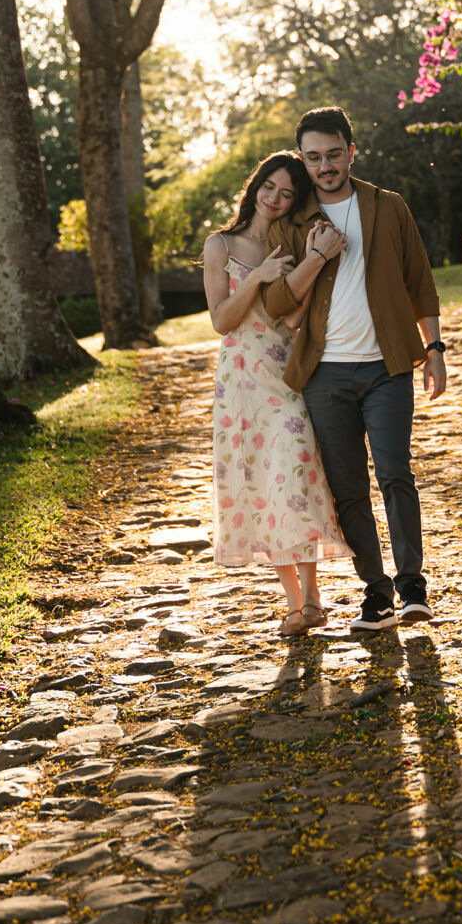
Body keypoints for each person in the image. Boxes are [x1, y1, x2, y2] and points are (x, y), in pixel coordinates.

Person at [260, 105, 447, 633]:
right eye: (313, 157)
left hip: (387, 369)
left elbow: (420, 281)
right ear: (303, 159)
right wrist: (317, 257)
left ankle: (412, 586)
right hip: (325, 376)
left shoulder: (388, 207)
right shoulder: (292, 223)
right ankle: (376, 593)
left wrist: (434, 348)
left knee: (395, 474)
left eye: (334, 154)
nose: (325, 166)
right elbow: (276, 303)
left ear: (351, 152)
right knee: (347, 489)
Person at [203, 151, 351, 637]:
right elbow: (222, 320)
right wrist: (258, 277)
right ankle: (295, 605)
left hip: (285, 377)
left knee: (296, 477)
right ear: (255, 185)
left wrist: (308, 262)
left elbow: (291, 318)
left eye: (287, 194)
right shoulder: (220, 245)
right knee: (260, 487)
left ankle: (314, 597)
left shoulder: (289, 243)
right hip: (241, 386)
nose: (275, 198)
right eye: (269, 186)